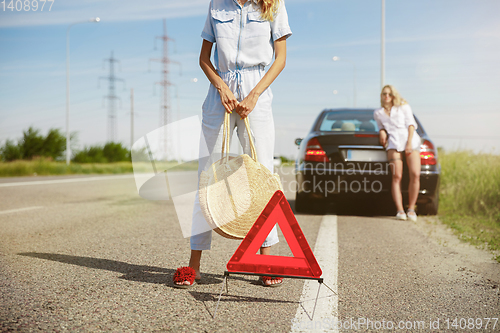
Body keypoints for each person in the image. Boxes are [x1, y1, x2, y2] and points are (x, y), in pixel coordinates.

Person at [173, 0, 292, 288]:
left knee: (263, 176)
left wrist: (254, 95)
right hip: (219, 96)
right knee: (207, 177)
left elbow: (280, 59)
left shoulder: (273, 4)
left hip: (257, 95)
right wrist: (221, 86)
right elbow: (204, 59)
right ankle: (194, 265)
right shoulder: (217, 4)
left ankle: (265, 260)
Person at [374, 85, 421, 222]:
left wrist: (409, 143)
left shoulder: (403, 107)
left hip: (409, 141)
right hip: (393, 143)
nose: (387, 96)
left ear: (394, 95)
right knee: (396, 176)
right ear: (381, 96)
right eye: (384, 94)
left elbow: (411, 125)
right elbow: (381, 126)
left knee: (415, 174)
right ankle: (400, 210)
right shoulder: (378, 112)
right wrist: (382, 131)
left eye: (389, 94)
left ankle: (411, 209)